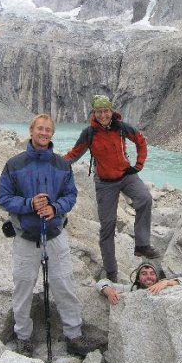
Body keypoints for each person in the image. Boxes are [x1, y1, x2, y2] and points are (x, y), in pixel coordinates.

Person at [0, 113, 97, 358]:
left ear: (52, 134)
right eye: (39, 129)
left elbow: (70, 196)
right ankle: (23, 337)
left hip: (54, 234)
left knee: (64, 285)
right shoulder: (15, 164)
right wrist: (30, 204)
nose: (43, 133)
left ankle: (73, 335)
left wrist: (55, 208)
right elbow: (3, 198)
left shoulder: (61, 165)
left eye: (48, 130)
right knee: (23, 287)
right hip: (25, 236)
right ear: (31, 131)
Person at [63, 95, 159, 283]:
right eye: (99, 111)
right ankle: (111, 272)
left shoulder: (122, 128)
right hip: (105, 183)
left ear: (111, 111)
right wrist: (55, 163)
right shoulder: (89, 133)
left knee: (145, 198)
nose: (103, 115)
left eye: (106, 111)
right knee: (107, 227)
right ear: (94, 113)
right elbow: (74, 154)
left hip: (126, 175)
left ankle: (142, 244)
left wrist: (138, 165)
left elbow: (140, 140)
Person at [96, 262, 182, 305]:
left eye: (152, 274)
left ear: (156, 277)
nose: (149, 277)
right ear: (138, 279)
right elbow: (102, 282)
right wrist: (108, 291)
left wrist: (167, 282)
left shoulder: (163, 285)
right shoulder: (131, 289)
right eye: (144, 274)